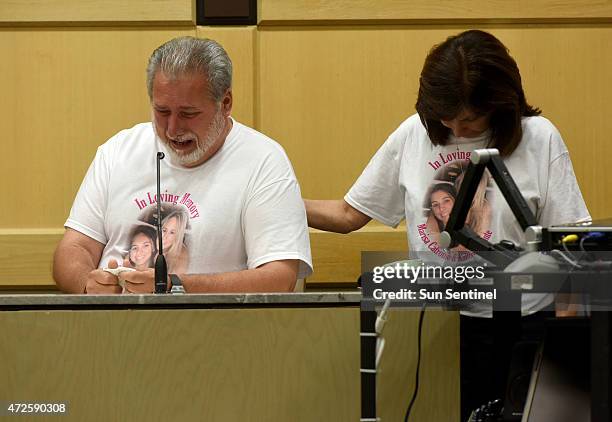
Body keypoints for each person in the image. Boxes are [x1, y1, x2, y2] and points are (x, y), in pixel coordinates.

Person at [304, 30, 589, 419]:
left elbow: (570, 254)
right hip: (435, 326)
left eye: (469, 119)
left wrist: (564, 348)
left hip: (522, 328)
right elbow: (349, 215)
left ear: (499, 102)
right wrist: (275, 202)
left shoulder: (539, 139)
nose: (455, 129)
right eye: (445, 116)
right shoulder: (413, 135)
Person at [53, 36, 312, 295]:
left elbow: (279, 278)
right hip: (113, 329)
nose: (173, 129)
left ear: (226, 103)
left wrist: (176, 286)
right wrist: (87, 284)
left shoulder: (264, 160)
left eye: (188, 114)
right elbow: (74, 249)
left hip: (214, 331)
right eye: (162, 112)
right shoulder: (117, 151)